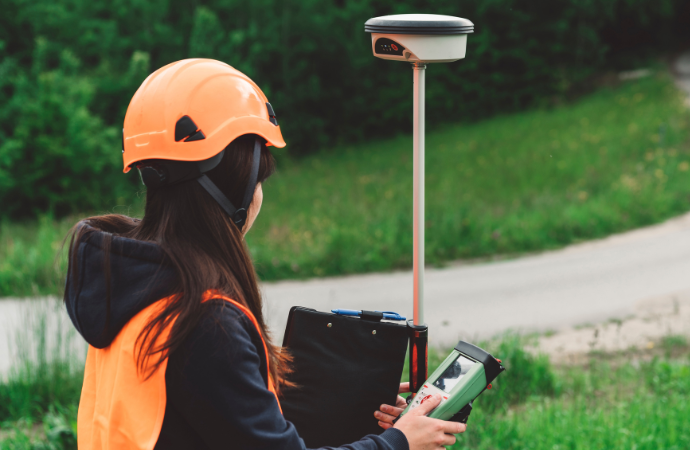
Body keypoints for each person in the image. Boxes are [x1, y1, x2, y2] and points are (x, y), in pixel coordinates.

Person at [64, 59, 466, 450]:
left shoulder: (134, 285)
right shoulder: (204, 319)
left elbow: (200, 417)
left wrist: (348, 401)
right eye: (259, 179)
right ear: (235, 188)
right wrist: (398, 442)